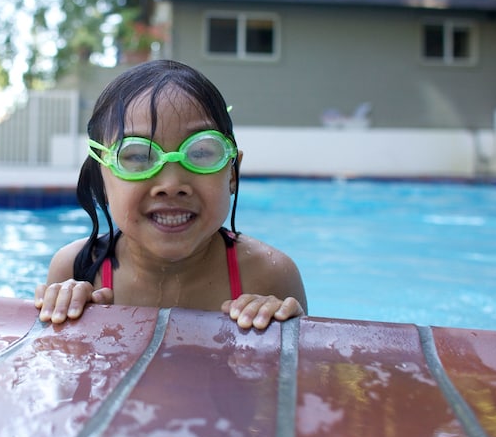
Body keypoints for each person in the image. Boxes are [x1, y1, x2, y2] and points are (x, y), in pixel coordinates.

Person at [35, 60, 306, 330]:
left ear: (232, 174)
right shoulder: (77, 269)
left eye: (200, 153)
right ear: (101, 180)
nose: (172, 183)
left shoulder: (270, 275)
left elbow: (300, 368)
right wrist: (67, 316)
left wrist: (282, 324)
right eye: (138, 156)